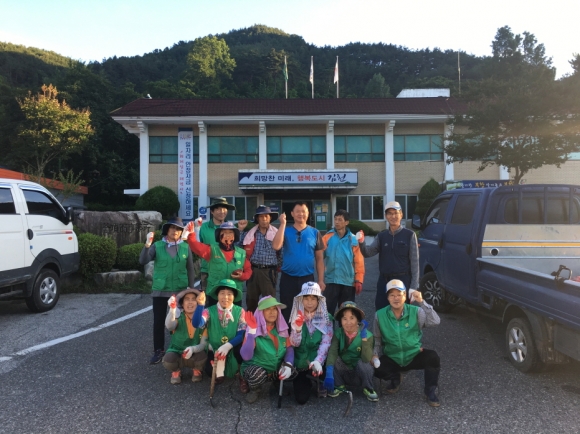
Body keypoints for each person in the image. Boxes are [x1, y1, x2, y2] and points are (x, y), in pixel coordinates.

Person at [372, 279, 441, 407]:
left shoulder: (416, 311)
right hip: (392, 357)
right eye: (392, 295)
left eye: (399, 294)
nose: (396, 298)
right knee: (375, 369)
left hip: (413, 355)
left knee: (433, 357)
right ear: (387, 298)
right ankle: (395, 377)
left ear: (405, 296)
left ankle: (430, 391)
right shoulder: (379, 315)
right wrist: (374, 354)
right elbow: (377, 338)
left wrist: (422, 302)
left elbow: (435, 321)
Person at [140, 217, 196, 365]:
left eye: (178, 229)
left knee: (181, 321)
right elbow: (143, 261)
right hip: (160, 290)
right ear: (167, 230)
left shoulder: (185, 247)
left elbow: (190, 269)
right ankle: (158, 350)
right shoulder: (157, 246)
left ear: (181, 232)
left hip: (180, 290)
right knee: (159, 321)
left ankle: (179, 348)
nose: (175, 231)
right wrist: (147, 245)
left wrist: (191, 290)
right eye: (172, 228)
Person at [357, 201, 419, 311]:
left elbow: (415, 263)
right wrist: (361, 242)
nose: (393, 216)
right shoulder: (381, 236)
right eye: (389, 213)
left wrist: (413, 287)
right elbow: (368, 253)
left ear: (401, 214)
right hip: (384, 281)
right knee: (381, 311)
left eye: (396, 213)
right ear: (386, 216)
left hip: (403, 280)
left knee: (402, 313)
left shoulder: (410, 235)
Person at [191, 278, 248, 392]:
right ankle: (220, 370)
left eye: (229, 294)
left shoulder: (240, 311)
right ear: (217, 295)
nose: (225, 297)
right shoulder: (208, 311)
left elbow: (241, 334)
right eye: (222, 293)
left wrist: (227, 346)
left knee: (242, 351)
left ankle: (242, 374)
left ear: (234, 296)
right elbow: (197, 323)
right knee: (209, 370)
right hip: (215, 347)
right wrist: (200, 305)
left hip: (233, 346)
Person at [272, 201, 325, 323]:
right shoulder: (285, 231)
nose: (301, 214)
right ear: (292, 214)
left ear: (308, 213)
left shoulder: (315, 232)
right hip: (288, 278)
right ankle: (287, 334)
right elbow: (276, 246)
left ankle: (305, 334)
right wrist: (282, 224)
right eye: (298, 211)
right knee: (287, 310)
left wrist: (321, 280)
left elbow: (319, 259)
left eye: (303, 211)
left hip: (307, 279)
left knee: (308, 310)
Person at [240, 296, 297, 403]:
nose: (272, 312)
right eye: (267, 309)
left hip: (275, 368)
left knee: (294, 368)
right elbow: (246, 356)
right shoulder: (253, 329)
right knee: (257, 374)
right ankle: (255, 389)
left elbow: (289, 348)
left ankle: (277, 382)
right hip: (258, 368)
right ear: (261, 312)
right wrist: (252, 332)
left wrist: (288, 365)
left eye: (274, 308)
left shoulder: (281, 328)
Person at [186, 220, 252, 308]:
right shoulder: (211, 250)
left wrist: (242, 276)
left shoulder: (241, 253)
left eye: (230, 232)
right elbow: (195, 246)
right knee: (213, 316)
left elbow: (248, 271)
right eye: (224, 232)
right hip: (215, 294)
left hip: (234, 295)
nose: (227, 235)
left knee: (235, 316)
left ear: (235, 236)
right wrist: (191, 234)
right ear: (218, 235)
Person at [288, 281, 334, 404]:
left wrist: (318, 361)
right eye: (306, 298)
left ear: (319, 300)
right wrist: (297, 329)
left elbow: (326, 342)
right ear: (301, 300)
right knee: (301, 399)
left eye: (313, 298)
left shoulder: (327, 318)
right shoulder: (296, 316)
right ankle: (307, 380)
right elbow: (294, 344)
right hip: (301, 361)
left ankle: (320, 380)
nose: (309, 302)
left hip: (318, 359)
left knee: (325, 368)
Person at [324, 301, 379, 402]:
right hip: (344, 370)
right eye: (344, 319)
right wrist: (329, 373)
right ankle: (339, 385)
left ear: (358, 319)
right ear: (341, 321)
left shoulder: (368, 335)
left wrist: (364, 339)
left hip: (359, 373)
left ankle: (368, 387)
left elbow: (366, 358)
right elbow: (333, 352)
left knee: (364, 364)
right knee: (332, 357)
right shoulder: (338, 333)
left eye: (352, 318)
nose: (348, 322)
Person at [239, 205, 281, 313]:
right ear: (257, 218)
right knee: (251, 302)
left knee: (269, 303)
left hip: (269, 271)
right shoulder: (250, 233)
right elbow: (238, 248)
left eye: (266, 216)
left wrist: (277, 268)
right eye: (261, 216)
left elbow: (281, 252)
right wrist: (240, 230)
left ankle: (268, 324)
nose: (264, 219)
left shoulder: (277, 233)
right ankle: (251, 323)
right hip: (253, 270)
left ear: (270, 218)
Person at [321, 209, 365, 314]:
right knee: (327, 313)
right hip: (331, 280)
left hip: (348, 282)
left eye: (340, 220)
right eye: (335, 219)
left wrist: (359, 280)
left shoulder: (353, 239)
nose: (337, 222)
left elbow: (359, 262)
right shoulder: (327, 237)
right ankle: (328, 326)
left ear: (346, 222)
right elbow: (319, 257)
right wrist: (321, 278)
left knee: (346, 314)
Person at [162, 287, 208, 384]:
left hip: (194, 353)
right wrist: (172, 309)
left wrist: (193, 349)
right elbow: (169, 326)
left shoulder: (203, 320)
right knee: (168, 359)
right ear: (182, 304)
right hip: (177, 352)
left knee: (203, 356)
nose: (190, 302)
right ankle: (176, 371)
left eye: (193, 299)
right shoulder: (178, 317)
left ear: (198, 303)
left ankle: (197, 369)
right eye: (187, 299)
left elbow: (203, 344)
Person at [197, 197, 237, 291]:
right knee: (207, 297)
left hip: (227, 270)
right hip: (208, 270)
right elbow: (198, 247)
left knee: (226, 297)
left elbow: (236, 249)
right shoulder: (203, 228)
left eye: (224, 209)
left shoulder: (232, 228)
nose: (222, 212)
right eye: (218, 209)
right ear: (212, 211)